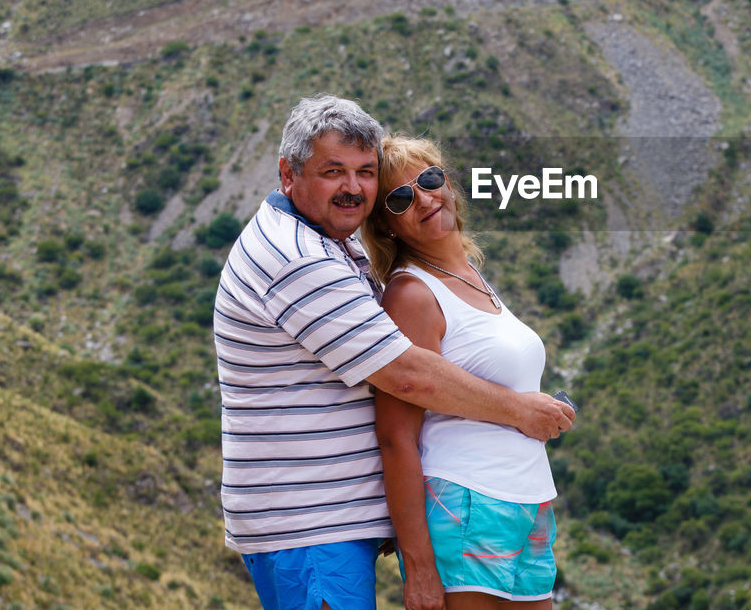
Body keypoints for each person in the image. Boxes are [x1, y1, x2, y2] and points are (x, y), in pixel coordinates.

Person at [213, 95, 573, 610]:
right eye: (333, 171)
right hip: (310, 521)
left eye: (363, 172)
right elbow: (406, 376)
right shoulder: (296, 256)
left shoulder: (333, 245)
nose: (353, 187)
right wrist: (520, 410)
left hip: (332, 518)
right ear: (288, 174)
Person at [361, 135, 562, 609]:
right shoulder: (411, 295)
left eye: (429, 179)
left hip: (526, 500)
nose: (424, 198)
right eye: (401, 198)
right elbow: (395, 437)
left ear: (448, 184)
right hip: (464, 502)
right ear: (387, 226)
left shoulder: (471, 276)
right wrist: (421, 567)